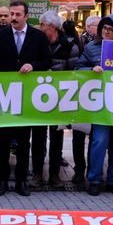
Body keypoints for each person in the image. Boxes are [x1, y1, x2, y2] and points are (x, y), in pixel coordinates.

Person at [0, 0, 51, 196]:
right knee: (2, 141)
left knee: (24, 142)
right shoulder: (0, 36)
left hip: (27, 96)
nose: (13, 18)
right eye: (11, 14)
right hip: (5, 95)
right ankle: (2, 179)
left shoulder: (38, 36)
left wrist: (33, 65)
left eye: (17, 14)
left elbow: (47, 60)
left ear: (26, 16)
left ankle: (21, 180)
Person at [78, 13, 113, 196]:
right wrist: (91, 70)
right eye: (104, 28)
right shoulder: (92, 47)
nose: (106, 32)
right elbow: (78, 68)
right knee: (99, 141)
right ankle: (94, 180)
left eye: (110, 29)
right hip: (101, 105)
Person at [31, 11, 79, 189]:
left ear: (51, 26)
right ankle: (37, 173)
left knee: (57, 137)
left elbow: (75, 72)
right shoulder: (37, 42)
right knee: (38, 136)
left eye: (42, 25)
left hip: (60, 98)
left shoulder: (70, 46)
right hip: (38, 96)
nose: (40, 27)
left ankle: (54, 175)